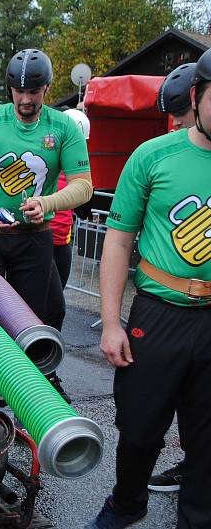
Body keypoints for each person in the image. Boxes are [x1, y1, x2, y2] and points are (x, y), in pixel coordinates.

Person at [86, 48, 211, 529]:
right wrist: (113, 322)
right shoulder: (153, 156)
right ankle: (127, 502)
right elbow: (117, 243)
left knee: (208, 437)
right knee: (139, 430)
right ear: (196, 97)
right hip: (158, 314)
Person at [0, 49, 93, 399]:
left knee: (33, 317)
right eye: (19, 91)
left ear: (47, 88)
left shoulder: (62, 127)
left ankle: (28, 393)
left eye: (34, 91)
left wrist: (47, 202)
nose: (26, 100)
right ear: (9, 88)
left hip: (36, 237)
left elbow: (83, 186)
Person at [51, 108, 91, 288]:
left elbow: (83, 211)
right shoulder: (77, 171)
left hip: (55, 240)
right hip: (44, 239)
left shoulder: (43, 162)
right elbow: (84, 212)